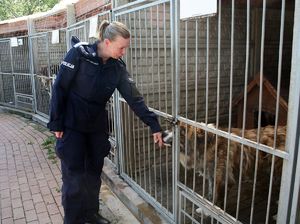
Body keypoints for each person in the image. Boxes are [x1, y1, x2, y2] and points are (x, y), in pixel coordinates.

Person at [47, 20, 163, 224]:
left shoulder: (117, 68)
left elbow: (134, 98)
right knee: (74, 179)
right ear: (107, 42)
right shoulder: (79, 54)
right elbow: (60, 88)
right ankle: (73, 220)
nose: (124, 52)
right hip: (72, 127)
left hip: (96, 128)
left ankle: (91, 214)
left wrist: (153, 124)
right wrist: (56, 122)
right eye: (122, 47)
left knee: (93, 175)